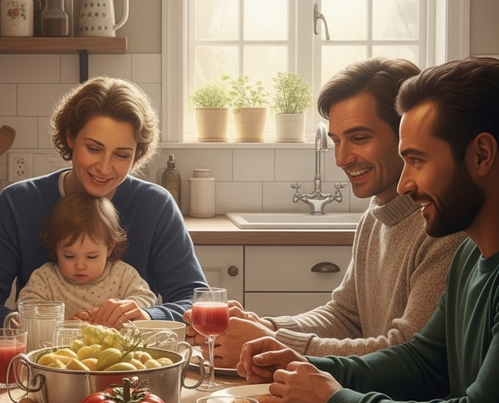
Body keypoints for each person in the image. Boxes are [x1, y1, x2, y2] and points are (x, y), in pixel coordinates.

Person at [237, 56, 499, 403]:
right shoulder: (472, 257)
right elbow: (421, 361)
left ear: (481, 155)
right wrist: (303, 365)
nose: (407, 184)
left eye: (417, 160)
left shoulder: (455, 243)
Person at [189, 58, 464, 367]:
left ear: (407, 133)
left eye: (359, 138)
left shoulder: (444, 227)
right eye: (336, 141)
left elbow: (406, 354)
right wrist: (268, 327)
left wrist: (275, 342)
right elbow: (345, 316)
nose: (341, 158)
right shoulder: (374, 217)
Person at [0, 76, 207, 334]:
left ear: (137, 154)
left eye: (122, 155)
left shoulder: (156, 206)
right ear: (70, 137)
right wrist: (20, 323)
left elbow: (197, 302)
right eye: (93, 148)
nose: (104, 167)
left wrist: (147, 315)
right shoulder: (18, 203)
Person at [17, 192, 157, 320]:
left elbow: (147, 298)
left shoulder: (122, 275)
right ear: (56, 248)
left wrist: (122, 309)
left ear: (109, 248)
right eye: (69, 256)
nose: (80, 266)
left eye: (91, 257)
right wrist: (61, 323)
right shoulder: (46, 278)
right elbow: (26, 306)